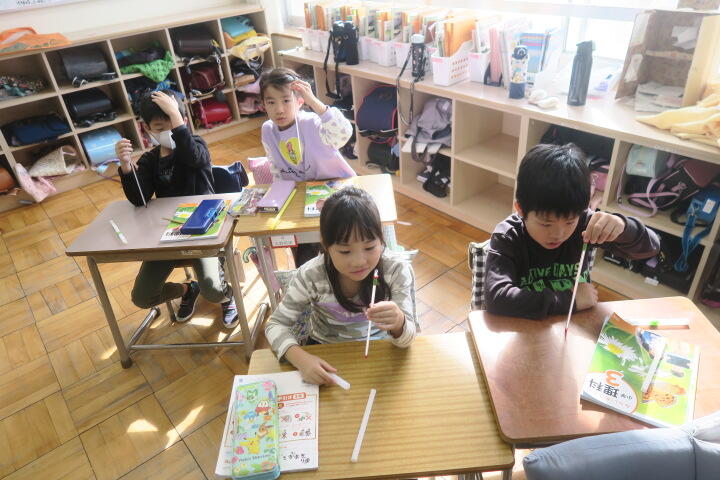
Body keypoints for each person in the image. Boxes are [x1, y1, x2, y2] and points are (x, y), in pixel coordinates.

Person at [484, 143, 661, 319]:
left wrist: (624, 227)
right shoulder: (508, 237)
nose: (559, 234)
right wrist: (569, 300)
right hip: (525, 326)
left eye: (570, 221)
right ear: (521, 210)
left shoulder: (585, 225)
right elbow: (496, 298)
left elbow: (651, 248)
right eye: (546, 224)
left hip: (572, 326)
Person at [264, 187, 418, 385]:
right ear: (325, 245)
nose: (359, 261)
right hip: (325, 351)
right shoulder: (311, 276)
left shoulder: (396, 270)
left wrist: (399, 323)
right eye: (345, 251)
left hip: (381, 351)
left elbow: (408, 339)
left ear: (381, 239)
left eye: (370, 247)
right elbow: (275, 325)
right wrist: (301, 359)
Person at [115, 90, 239, 328]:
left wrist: (176, 116)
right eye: (160, 127)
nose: (169, 132)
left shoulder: (196, 145)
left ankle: (228, 296)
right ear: (148, 129)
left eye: (174, 124)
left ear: (183, 122)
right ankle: (187, 290)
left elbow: (193, 157)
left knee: (214, 291)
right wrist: (126, 167)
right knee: (142, 297)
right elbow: (139, 199)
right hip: (168, 236)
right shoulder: (150, 160)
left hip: (203, 232)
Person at [259, 67, 355, 266]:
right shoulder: (268, 130)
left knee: (341, 247)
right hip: (302, 198)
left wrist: (315, 102)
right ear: (264, 104)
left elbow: (343, 135)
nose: (279, 109)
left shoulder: (312, 122)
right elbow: (276, 168)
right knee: (304, 256)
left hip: (337, 190)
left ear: (300, 101)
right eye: (271, 102)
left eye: (286, 100)